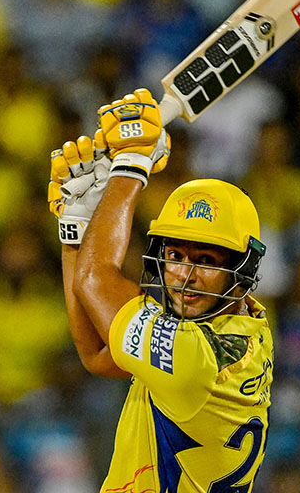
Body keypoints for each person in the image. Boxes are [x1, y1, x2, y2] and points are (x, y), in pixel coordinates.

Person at [48, 88, 274, 492]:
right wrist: (76, 226)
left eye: (205, 261)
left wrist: (132, 164)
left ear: (241, 270)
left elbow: (95, 280)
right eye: (175, 255)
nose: (184, 276)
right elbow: (98, 354)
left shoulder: (196, 358)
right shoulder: (237, 328)